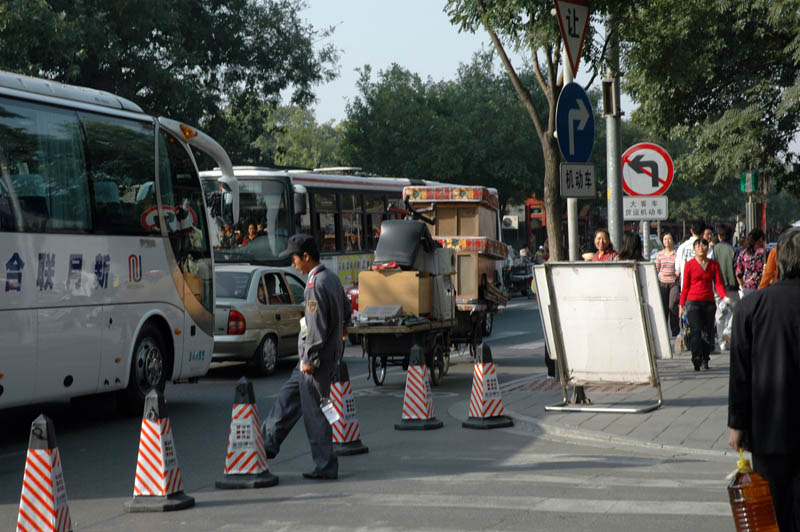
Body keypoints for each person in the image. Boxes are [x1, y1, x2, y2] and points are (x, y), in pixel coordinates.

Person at [262, 234, 351, 480]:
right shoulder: (331, 278)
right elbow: (347, 309)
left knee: (314, 414)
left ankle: (325, 466)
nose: (293, 265)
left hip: (314, 361)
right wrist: (342, 329)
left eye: (294, 259)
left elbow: (315, 327)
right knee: (286, 399)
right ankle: (265, 445)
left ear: (306, 257)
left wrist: (310, 358)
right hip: (317, 359)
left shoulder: (315, 285)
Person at [729, 228, 800, 532]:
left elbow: (740, 374)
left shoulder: (751, 307)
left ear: (779, 260)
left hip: (768, 427)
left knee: (773, 513)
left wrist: (737, 424)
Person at [679, 238, 729, 371]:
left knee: (707, 332)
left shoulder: (713, 265)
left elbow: (718, 283)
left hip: (708, 302)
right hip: (693, 302)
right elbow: (685, 286)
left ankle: (705, 358)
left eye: (704, 245)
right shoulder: (689, 265)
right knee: (696, 331)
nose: (701, 247)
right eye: (698, 246)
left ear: (708, 249)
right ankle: (696, 357)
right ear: (694, 249)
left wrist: (724, 297)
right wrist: (681, 304)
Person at [713, 224, 739, 349]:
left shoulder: (714, 250)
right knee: (734, 311)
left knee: (720, 314)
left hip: (718, 286)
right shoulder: (734, 250)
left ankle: (721, 342)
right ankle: (728, 332)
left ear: (719, 236)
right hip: (732, 286)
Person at [655, 232, 680, 336]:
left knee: (672, 305)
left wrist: (678, 272)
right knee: (664, 307)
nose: (667, 241)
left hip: (674, 283)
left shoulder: (677, 253)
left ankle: (675, 330)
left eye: (669, 239)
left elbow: (679, 267)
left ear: (673, 241)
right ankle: (663, 330)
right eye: (665, 239)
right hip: (662, 283)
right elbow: (657, 269)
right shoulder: (660, 254)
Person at [734, 228, 767, 298]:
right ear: (760, 240)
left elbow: (738, 273)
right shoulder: (764, 252)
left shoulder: (743, 253)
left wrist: (743, 286)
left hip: (747, 289)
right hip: (763, 288)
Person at [675, 219, 705, 287]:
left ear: (691, 230)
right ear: (703, 232)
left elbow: (677, 268)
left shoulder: (682, 247)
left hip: (687, 288)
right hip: (703, 289)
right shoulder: (707, 248)